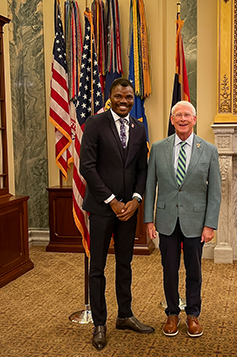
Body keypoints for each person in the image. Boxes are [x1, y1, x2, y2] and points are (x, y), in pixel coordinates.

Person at [80, 78, 154, 351]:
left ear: (133, 99)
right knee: (97, 268)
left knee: (125, 265)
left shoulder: (138, 127)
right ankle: (100, 323)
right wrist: (111, 201)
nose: (124, 102)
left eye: (129, 97)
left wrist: (136, 199)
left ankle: (125, 315)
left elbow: (142, 169)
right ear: (110, 97)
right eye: (119, 97)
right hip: (102, 209)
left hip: (129, 210)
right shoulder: (95, 124)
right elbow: (87, 167)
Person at [144, 100, 221, 338]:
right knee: (169, 269)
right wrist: (148, 219)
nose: (183, 119)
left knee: (194, 270)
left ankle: (193, 314)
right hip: (166, 218)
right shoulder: (158, 148)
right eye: (178, 115)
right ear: (172, 120)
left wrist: (210, 225)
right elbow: (150, 185)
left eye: (187, 115)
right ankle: (172, 313)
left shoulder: (208, 150)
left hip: (195, 222)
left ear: (194, 119)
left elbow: (215, 191)